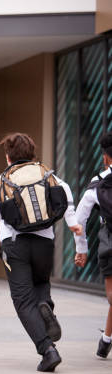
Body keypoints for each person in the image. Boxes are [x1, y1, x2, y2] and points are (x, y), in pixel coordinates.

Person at [0, 132, 82, 372]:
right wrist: (73, 224)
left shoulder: (1, 180)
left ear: (8, 156)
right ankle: (46, 307)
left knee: (22, 300)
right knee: (41, 284)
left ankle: (47, 350)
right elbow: (66, 196)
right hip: (44, 242)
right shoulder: (47, 173)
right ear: (32, 152)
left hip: (15, 243)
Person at [74, 131, 112, 359]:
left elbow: (79, 220)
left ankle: (106, 340)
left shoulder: (98, 185)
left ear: (106, 158)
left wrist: (82, 249)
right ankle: (106, 339)